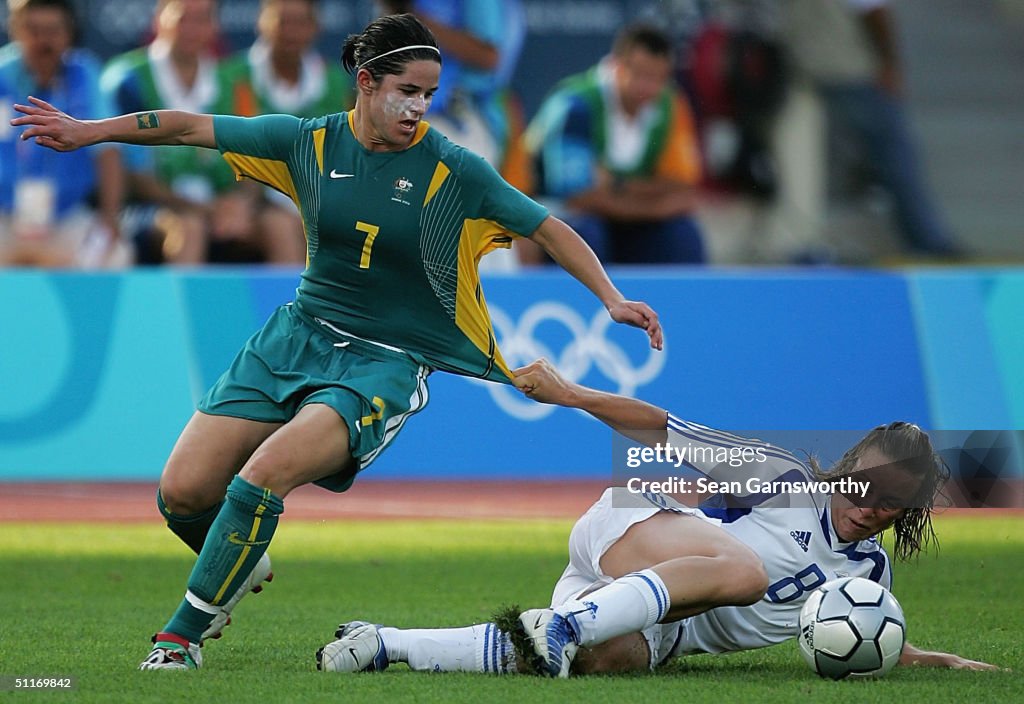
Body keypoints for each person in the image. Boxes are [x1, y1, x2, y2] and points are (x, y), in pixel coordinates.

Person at [11, 13, 662, 671]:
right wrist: (89, 132)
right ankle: (240, 558)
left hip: (383, 362)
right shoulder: (309, 144)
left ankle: (177, 641)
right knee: (180, 494)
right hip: (297, 335)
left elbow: (549, 228)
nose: (419, 108)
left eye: (429, 95)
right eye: (406, 90)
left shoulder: (451, 168)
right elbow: (188, 126)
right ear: (365, 80)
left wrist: (611, 298)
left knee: (259, 481)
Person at [316, 358, 997, 676]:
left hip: (654, 622)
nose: (871, 506)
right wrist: (570, 392)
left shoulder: (868, 573)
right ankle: (563, 625)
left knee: (594, 664)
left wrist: (942, 661)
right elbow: (662, 430)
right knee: (746, 569)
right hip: (632, 527)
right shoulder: (782, 476)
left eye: (891, 502)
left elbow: (873, 637)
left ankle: (386, 644)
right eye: (868, 483)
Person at [779, 0, 961, 257]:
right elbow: (872, 9)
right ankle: (927, 237)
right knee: (894, 152)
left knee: (818, 159)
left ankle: (804, 239)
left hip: (805, 63)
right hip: (851, 65)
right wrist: (889, 62)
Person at [524, 23, 706, 265]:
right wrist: (657, 206)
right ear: (617, 66)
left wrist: (617, 185)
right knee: (585, 231)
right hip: (562, 221)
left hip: (623, 222)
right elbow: (578, 198)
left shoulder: (671, 106)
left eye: (658, 78)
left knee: (683, 235)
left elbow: (683, 190)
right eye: (640, 75)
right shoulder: (575, 105)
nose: (649, 88)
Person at [377, 0, 533, 271]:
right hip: (406, 114)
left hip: (460, 119)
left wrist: (413, 19)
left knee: (475, 223)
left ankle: (497, 300)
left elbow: (489, 55)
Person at [216, 0, 355, 264]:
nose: (290, 32)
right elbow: (222, 151)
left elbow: (342, 154)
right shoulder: (231, 76)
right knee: (282, 226)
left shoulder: (334, 81)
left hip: (316, 201)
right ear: (261, 22)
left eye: (300, 23)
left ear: (315, 27)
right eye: (282, 21)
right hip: (245, 202)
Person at [0, 0, 128, 268]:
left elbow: (107, 150)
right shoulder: (1, 75)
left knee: (114, 256)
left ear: (70, 33)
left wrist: (110, 216)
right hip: (5, 216)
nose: (43, 41)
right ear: (15, 30)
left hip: (65, 216)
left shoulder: (84, 75)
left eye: (53, 31)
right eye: (33, 30)